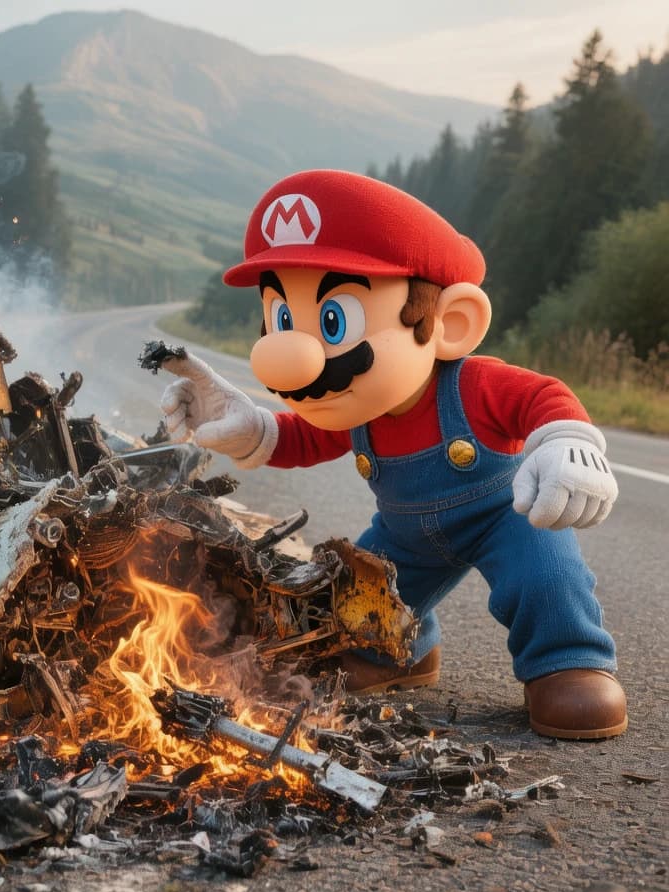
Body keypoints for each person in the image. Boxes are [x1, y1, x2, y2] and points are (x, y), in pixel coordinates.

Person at [158, 169, 627, 739]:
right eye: (282, 318)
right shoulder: (356, 407)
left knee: (546, 578)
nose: (292, 353)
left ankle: (569, 664)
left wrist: (567, 439)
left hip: (509, 516)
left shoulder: (472, 385)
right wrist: (253, 429)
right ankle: (399, 654)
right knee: (355, 599)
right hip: (404, 535)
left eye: (334, 320)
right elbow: (306, 438)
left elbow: (541, 397)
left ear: (450, 323)